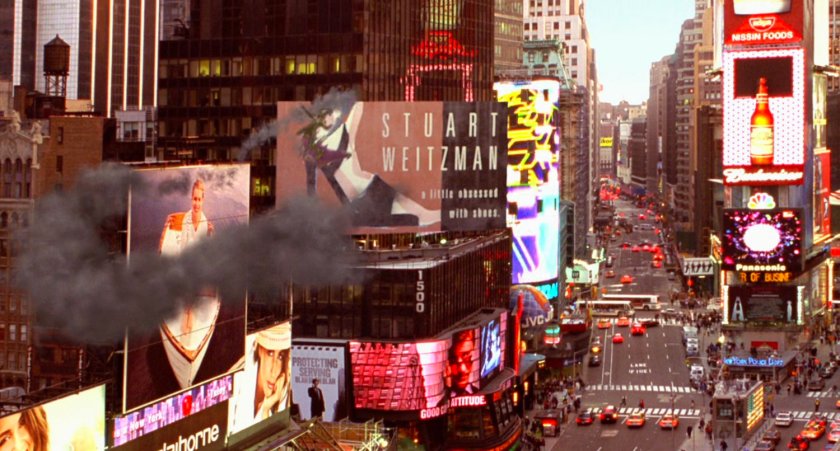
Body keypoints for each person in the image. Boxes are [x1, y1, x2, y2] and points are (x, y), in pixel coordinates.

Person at [125, 176, 245, 410]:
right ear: (191, 199)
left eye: (200, 199)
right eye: (194, 198)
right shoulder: (184, 222)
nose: (197, 202)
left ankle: (190, 324)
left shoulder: (206, 225)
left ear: (203, 200)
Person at [448, 329, 479, 394]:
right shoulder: (441, 403)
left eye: (466, 357)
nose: (462, 369)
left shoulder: (481, 394)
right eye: (453, 359)